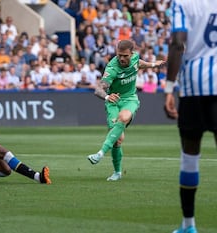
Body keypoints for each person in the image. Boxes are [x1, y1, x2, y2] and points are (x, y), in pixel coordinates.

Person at [164, 1, 217, 233]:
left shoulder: (182, 3)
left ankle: (188, 225)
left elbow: (178, 44)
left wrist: (168, 88)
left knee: (190, 154)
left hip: (193, 87)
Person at [87, 40, 165, 181]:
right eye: (119, 55)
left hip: (129, 99)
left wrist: (153, 64)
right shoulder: (112, 68)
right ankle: (117, 172)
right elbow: (99, 89)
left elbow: (139, 63)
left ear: (132, 53)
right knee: (118, 140)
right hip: (113, 102)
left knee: (123, 118)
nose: (122, 58)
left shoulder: (134, 58)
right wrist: (107, 97)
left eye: (125, 56)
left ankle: (100, 153)